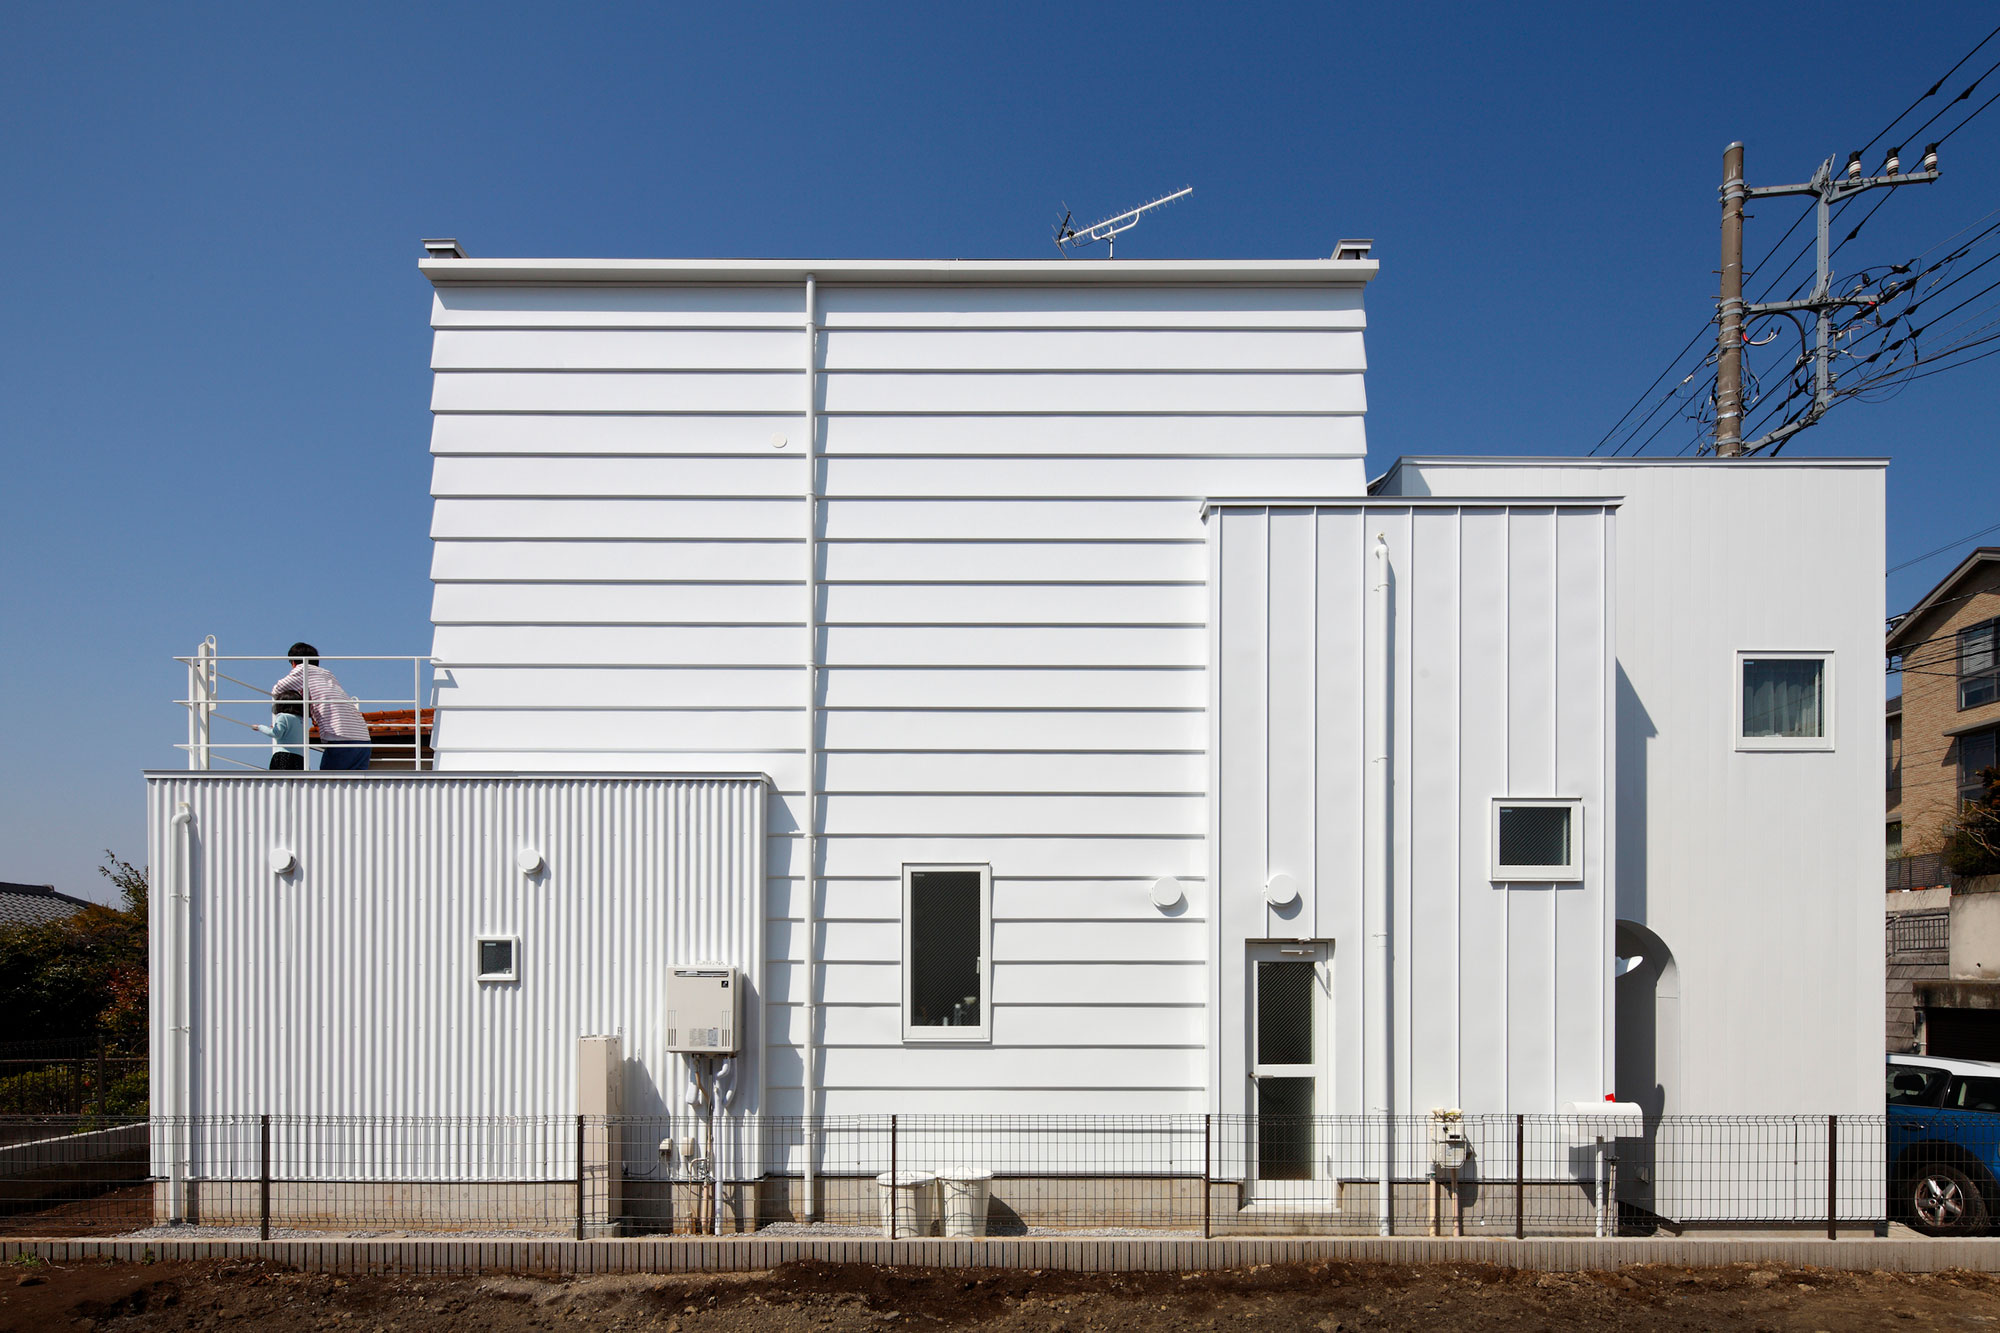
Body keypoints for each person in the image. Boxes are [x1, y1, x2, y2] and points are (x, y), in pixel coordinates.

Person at [271, 642, 372, 770]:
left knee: (327, 785)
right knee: (355, 787)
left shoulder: (302, 669)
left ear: (293, 662)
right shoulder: (327, 674)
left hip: (340, 737)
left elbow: (277, 690)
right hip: (363, 738)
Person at [252, 685, 307, 771]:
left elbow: (276, 733)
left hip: (284, 756)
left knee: (279, 783)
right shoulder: (300, 720)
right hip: (299, 758)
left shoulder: (282, 716)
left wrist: (260, 727)